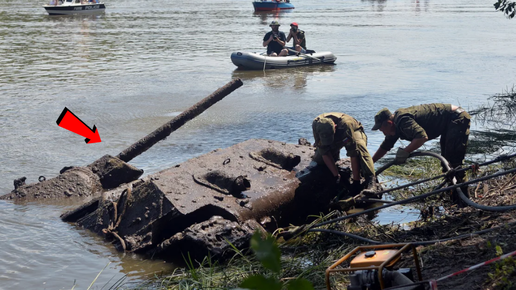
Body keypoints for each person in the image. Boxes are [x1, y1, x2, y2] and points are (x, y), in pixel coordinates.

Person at [371, 103, 471, 201]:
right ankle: (454, 194)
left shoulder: (403, 121)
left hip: (457, 118)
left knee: (454, 162)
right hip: (449, 122)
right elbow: (385, 146)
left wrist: (405, 151)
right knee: (446, 163)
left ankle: (463, 198)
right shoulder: (394, 127)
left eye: (382, 130)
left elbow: (421, 137)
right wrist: (371, 163)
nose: (384, 133)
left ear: (389, 123)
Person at [312, 113, 376, 195]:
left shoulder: (345, 125)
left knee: (359, 147)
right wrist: (337, 176)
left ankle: (371, 180)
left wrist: (356, 182)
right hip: (333, 135)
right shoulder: (316, 124)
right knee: (319, 159)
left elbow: (353, 154)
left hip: (354, 131)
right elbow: (324, 152)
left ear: (335, 127)